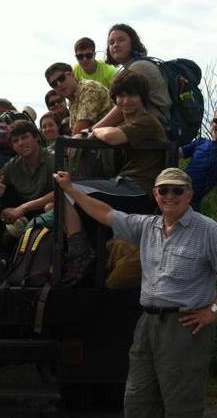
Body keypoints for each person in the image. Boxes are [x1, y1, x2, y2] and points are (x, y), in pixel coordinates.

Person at [53, 166, 217, 418]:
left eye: (177, 191)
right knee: (138, 404)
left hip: (185, 327)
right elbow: (104, 212)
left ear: (189, 196)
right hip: (147, 325)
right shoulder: (147, 226)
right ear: (155, 197)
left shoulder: (206, 230)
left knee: (181, 410)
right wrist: (70, 189)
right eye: (163, 191)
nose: (170, 197)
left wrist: (214, 311)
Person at [58, 70, 168, 281]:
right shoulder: (131, 121)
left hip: (138, 189)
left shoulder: (146, 121)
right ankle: (87, 255)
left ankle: (80, 254)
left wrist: (93, 130)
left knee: (66, 191)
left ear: (142, 97)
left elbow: (111, 137)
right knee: (65, 192)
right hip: (126, 184)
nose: (124, 101)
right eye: (120, 96)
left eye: (131, 95)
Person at [0, 119, 55, 224]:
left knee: (50, 207)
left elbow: (63, 191)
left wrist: (23, 208)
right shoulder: (13, 165)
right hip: (26, 217)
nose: (21, 143)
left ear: (36, 137)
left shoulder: (52, 158)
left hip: (49, 214)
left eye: (24, 137)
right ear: (13, 147)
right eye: (16, 141)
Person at [95, 23, 171, 128]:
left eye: (121, 40)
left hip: (154, 128)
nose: (115, 45)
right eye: (111, 43)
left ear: (133, 43)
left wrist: (91, 131)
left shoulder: (139, 67)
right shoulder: (124, 69)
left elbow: (122, 108)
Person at [44, 62, 111, 135]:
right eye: (54, 84)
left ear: (70, 75)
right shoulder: (72, 101)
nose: (59, 84)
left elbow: (79, 131)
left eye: (61, 78)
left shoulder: (89, 88)